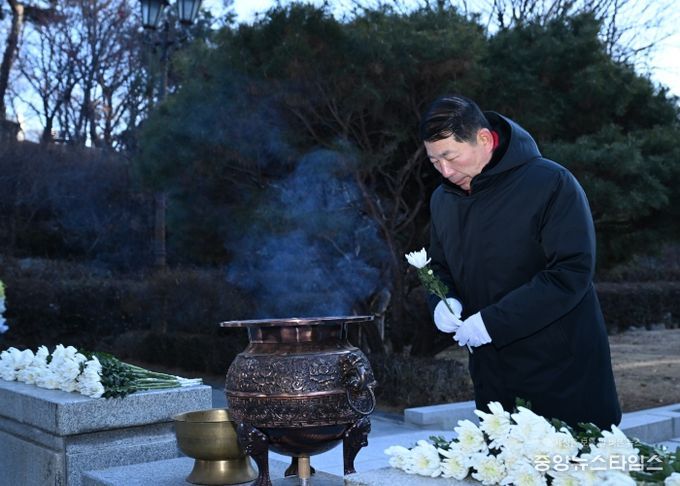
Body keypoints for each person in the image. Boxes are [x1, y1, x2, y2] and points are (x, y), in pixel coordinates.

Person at [421, 94, 621, 429]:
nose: (445, 171)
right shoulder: (443, 199)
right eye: (433, 161)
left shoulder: (550, 183)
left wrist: (492, 323)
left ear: (485, 139)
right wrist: (441, 300)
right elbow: (438, 266)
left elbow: (570, 273)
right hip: (492, 376)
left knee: (567, 460)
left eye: (450, 156)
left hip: (562, 373)